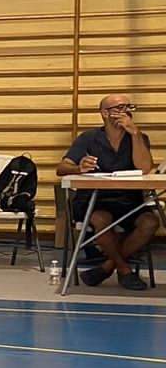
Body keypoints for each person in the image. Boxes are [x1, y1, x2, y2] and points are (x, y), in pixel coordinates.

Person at [57, 93, 157, 290]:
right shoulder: (89, 138)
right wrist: (79, 168)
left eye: (129, 107)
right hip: (96, 199)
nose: (126, 111)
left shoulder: (138, 137)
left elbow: (145, 168)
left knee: (150, 222)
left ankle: (107, 267)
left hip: (129, 199)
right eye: (119, 108)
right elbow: (61, 168)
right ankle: (124, 270)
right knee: (100, 219)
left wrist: (135, 134)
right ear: (104, 113)